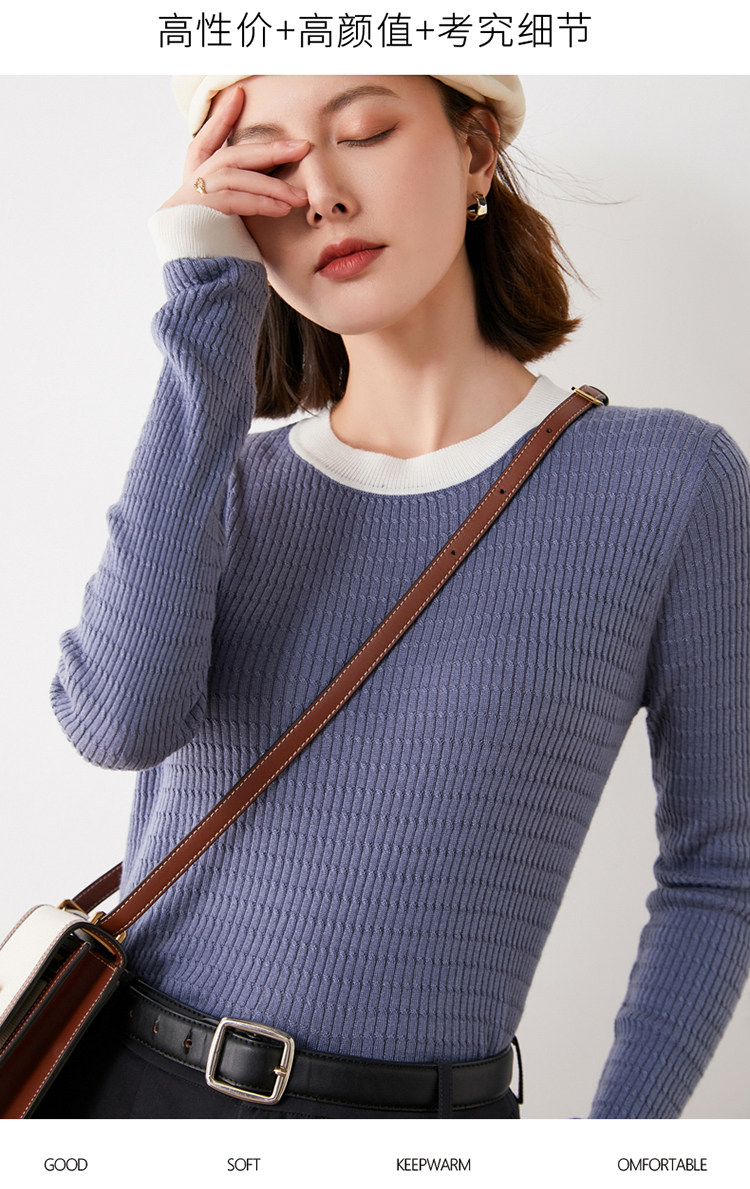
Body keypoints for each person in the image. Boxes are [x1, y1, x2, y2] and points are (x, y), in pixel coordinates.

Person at [37, 74, 750, 1120]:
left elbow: (720, 871)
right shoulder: (223, 480)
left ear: (476, 151)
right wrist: (205, 304)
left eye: (365, 130)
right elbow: (117, 724)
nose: (321, 190)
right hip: (132, 1092)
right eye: (271, 163)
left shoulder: (668, 483)